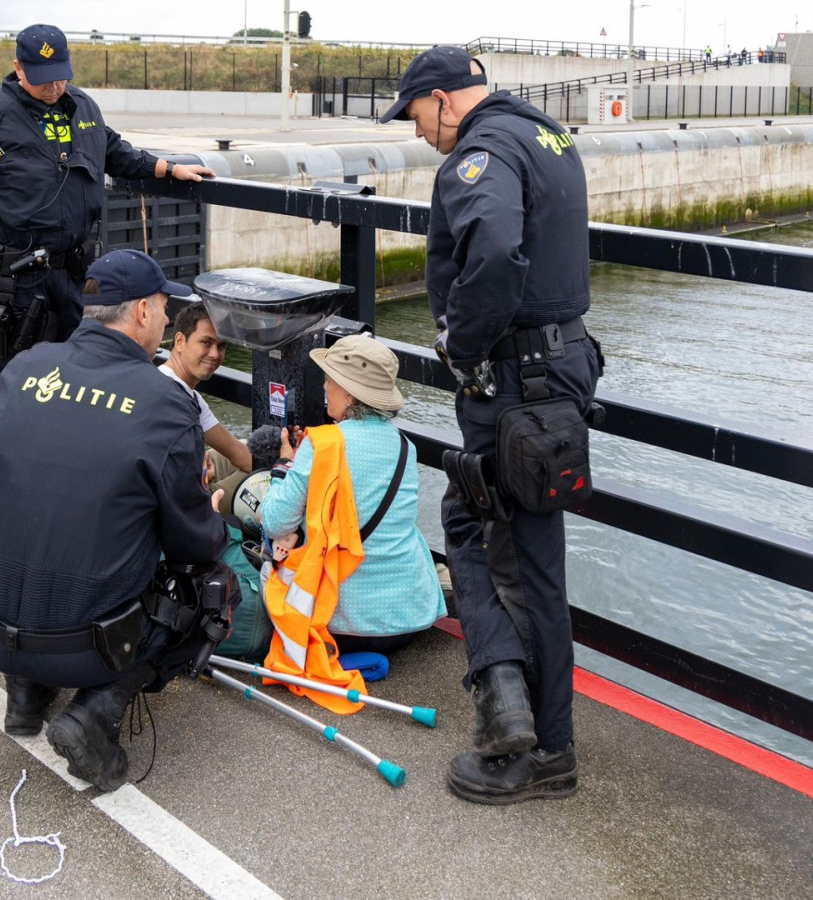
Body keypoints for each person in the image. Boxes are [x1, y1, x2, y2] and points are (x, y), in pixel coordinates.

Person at [380, 47, 601, 804]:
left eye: (416, 115)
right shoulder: (546, 134)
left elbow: (501, 250)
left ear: (443, 99)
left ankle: (539, 748)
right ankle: (509, 702)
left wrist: (460, 342)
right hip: (557, 369)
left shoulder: (480, 151)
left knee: (516, 555)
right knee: (491, 530)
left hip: (513, 379)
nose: (420, 132)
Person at [0, 248, 229, 791]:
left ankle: (26, 691)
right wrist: (212, 517)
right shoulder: (164, 404)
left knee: (22, 515)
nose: (161, 318)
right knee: (213, 587)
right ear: (142, 315)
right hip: (86, 647)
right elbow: (193, 544)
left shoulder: (25, 366)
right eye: (160, 308)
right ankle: (96, 711)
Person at [0, 23, 215, 372]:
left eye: (60, 75)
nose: (54, 85)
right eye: (43, 77)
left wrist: (166, 168)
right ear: (19, 68)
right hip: (20, 280)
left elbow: (114, 151)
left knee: (82, 371)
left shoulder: (81, 106)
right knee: (22, 375)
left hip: (78, 276)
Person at [255, 335, 445, 656]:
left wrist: (286, 464)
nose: (325, 386)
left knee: (266, 550)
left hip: (343, 624)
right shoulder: (405, 448)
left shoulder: (321, 444)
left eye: (330, 379)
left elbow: (274, 522)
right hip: (411, 617)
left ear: (349, 394)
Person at [161, 302, 253, 476]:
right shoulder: (175, 399)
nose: (215, 354)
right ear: (180, 341)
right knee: (260, 480)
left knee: (244, 444)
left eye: (221, 346)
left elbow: (237, 452)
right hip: (177, 497)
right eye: (206, 342)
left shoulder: (190, 396)